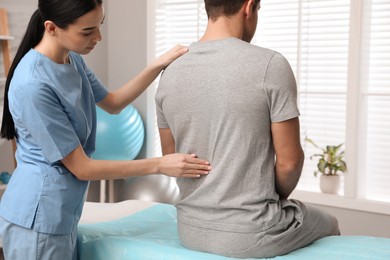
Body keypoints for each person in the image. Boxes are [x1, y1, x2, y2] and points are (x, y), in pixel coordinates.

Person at [0, 0, 212, 259]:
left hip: (62, 213)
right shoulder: (33, 85)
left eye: (99, 26)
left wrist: (157, 65)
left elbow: (113, 103)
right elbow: (82, 167)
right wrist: (159, 164)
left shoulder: (72, 59)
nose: (98, 37)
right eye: (87, 32)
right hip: (39, 217)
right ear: (52, 27)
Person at [155, 0, 340, 258]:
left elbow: (171, 158)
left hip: (189, 230)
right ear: (249, 6)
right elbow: (289, 163)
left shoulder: (169, 71)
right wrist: (267, 197)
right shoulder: (270, 64)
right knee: (329, 222)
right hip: (251, 233)